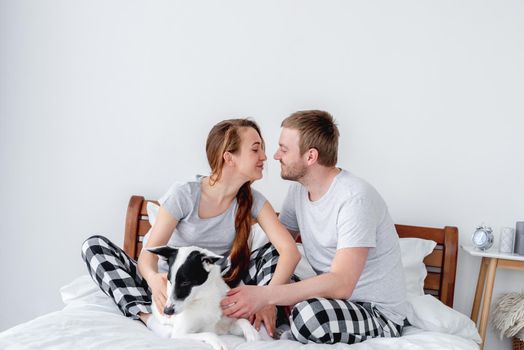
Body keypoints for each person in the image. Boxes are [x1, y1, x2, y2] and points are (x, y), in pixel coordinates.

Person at [81, 118, 301, 338]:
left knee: (272, 252)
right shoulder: (185, 195)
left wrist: (267, 299)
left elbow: (290, 252)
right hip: (168, 286)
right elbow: (148, 258)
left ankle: (257, 316)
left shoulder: (254, 202)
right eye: (255, 149)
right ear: (228, 157)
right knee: (94, 246)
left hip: (213, 289)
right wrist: (153, 279)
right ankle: (146, 317)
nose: (264, 156)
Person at [221, 110, 407, 344]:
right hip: (328, 301)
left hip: (373, 312)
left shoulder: (355, 199)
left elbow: (341, 284)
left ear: (310, 157)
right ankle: (275, 314)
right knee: (265, 254)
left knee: (309, 316)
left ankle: (286, 318)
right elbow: (279, 247)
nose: (276, 156)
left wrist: (267, 295)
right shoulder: (299, 190)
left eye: (284, 149)